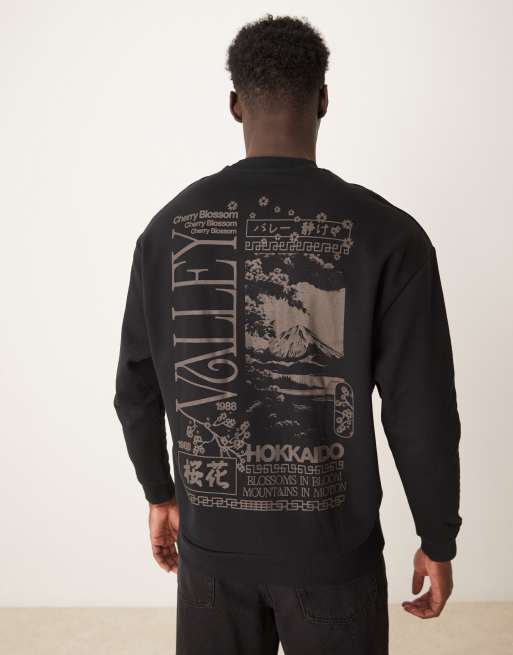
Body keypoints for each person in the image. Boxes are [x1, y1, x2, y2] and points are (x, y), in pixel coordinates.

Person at [114, 14, 461, 655]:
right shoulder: (389, 235)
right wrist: (437, 537)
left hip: (212, 551)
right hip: (333, 556)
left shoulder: (167, 231)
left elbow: (135, 385)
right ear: (324, 99)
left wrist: (160, 492)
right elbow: (422, 410)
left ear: (235, 105)